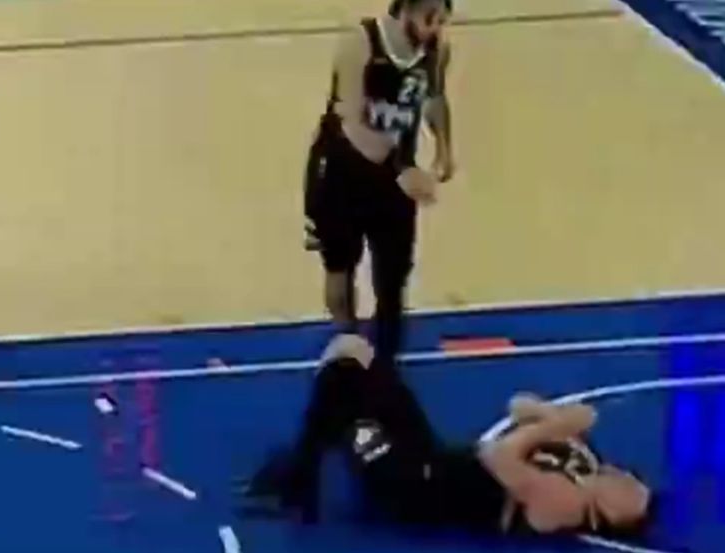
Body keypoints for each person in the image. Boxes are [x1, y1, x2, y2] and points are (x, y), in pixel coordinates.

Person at [239, 334, 653, 538]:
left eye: (635, 495)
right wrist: (554, 415)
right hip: (427, 456)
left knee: (341, 389)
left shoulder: (565, 506)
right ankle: (301, 473)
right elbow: (518, 405)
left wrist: (557, 426)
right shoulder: (585, 462)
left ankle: (299, 479)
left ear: (611, 514)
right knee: (352, 350)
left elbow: (498, 456)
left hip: (408, 489)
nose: (632, 480)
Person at [303, 0, 456, 365]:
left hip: (393, 175)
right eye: (429, 18)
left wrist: (444, 147)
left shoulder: (435, 49)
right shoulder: (360, 43)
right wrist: (402, 169)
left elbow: (435, 97)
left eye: (442, 20)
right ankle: (347, 347)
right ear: (406, 10)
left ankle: (386, 363)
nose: (436, 28)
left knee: (394, 276)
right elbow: (352, 124)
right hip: (341, 169)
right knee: (340, 269)